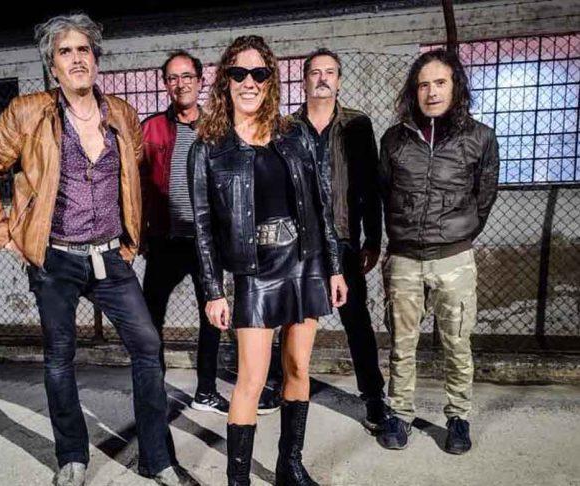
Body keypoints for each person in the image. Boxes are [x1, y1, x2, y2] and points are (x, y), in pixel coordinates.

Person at [0, 12, 190, 486]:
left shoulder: (122, 115)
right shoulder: (28, 113)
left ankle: (157, 458)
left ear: (96, 59)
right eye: (65, 52)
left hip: (110, 256)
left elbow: (137, 176)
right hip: (56, 258)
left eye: (83, 49)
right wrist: (4, 232)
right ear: (53, 66)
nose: (76, 59)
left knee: (148, 345)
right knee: (59, 356)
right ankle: (72, 456)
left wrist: (132, 238)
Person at [189, 35, 347, 486]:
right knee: (251, 380)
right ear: (225, 81)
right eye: (239, 73)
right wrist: (213, 290)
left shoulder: (294, 135)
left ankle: (289, 467)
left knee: (297, 368)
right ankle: (237, 480)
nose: (249, 82)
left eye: (259, 73)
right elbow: (202, 226)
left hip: (304, 261)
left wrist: (334, 266)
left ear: (270, 80)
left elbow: (321, 204)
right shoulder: (208, 147)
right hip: (254, 272)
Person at [141, 50, 281, 417]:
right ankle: (153, 391)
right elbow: (136, 184)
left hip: (208, 242)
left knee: (212, 317)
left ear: (200, 81)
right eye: (173, 78)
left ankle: (205, 391)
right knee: (149, 319)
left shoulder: (218, 128)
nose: (180, 84)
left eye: (187, 76)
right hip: (165, 240)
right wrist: (138, 232)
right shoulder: (151, 128)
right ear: (165, 84)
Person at [377, 49, 499, 454]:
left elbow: (484, 197)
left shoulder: (479, 137)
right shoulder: (394, 139)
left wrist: (456, 236)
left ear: (455, 86)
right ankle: (399, 414)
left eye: (440, 83)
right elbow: (384, 193)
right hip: (404, 258)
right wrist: (400, 239)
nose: (431, 92)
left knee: (457, 343)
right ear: (414, 91)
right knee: (402, 343)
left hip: (454, 259)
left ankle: (458, 417)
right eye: (423, 84)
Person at [292, 48, 386, 432]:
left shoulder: (357, 125)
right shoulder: (288, 127)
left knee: (357, 321)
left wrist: (373, 238)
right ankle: (287, 386)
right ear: (304, 80)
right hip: (299, 244)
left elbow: (371, 185)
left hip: (344, 238)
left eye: (329, 72)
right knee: (295, 320)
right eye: (315, 72)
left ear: (339, 80)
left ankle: (374, 397)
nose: (322, 79)